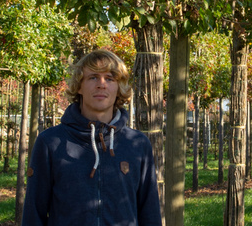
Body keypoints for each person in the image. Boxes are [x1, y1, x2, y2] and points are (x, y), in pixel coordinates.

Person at [21, 49, 162, 226]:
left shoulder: (137, 145)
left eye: (110, 78)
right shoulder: (50, 142)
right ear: (79, 86)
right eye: (93, 77)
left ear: (119, 87)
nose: (101, 84)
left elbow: (150, 213)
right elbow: (34, 213)